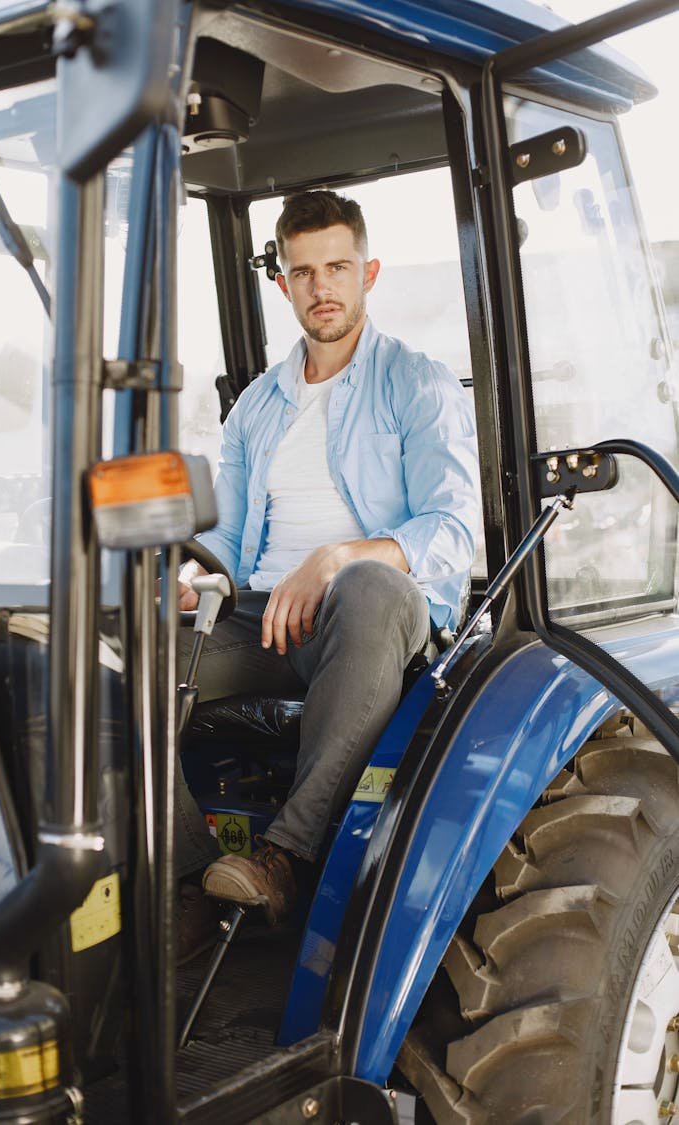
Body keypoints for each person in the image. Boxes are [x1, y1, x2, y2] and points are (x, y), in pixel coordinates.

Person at [175, 189, 479, 959]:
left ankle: (287, 857)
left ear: (368, 271)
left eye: (337, 266)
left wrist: (339, 557)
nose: (322, 286)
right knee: (124, 652)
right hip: (263, 614)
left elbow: (452, 529)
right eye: (303, 271)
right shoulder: (254, 408)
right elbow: (231, 542)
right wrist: (188, 577)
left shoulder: (416, 383)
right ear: (283, 283)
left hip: (373, 617)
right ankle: (184, 882)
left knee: (369, 588)